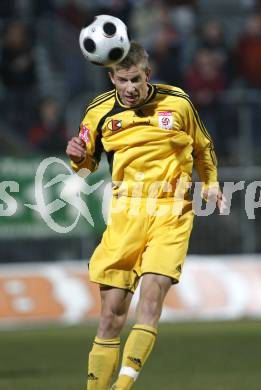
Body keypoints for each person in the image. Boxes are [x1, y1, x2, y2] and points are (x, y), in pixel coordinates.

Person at [66, 41, 223, 390]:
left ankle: (121, 387)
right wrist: (76, 155)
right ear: (112, 78)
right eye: (123, 80)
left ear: (147, 74)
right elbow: (83, 166)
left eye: (136, 79)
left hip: (172, 210)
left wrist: (211, 184)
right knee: (110, 316)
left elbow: (203, 147)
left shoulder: (177, 102)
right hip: (126, 212)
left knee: (151, 299)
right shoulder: (99, 112)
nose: (131, 87)